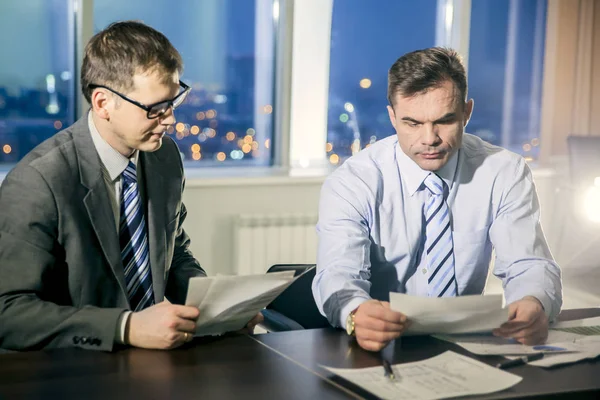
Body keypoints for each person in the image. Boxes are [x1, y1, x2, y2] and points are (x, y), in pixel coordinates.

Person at [0, 21, 261, 352]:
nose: (169, 120)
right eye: (154, 108)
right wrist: (125, 327)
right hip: (71, 370)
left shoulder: (164, 157)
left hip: (154, 361)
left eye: (173, 101)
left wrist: (217, 309)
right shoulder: (39, 181)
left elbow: (174, 255)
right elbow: (7, 312)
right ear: (103, 103)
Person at [312, 47, 562, 352]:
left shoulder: (504, 172)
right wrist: (355, 311)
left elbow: (529, 263)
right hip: (377, 346)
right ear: (392, 116)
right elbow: (338, 274)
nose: (429, 138)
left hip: (465, 343)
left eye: (444, 121)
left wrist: (534, 301)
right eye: (412, 123)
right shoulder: (352, 182)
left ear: (467, 112)